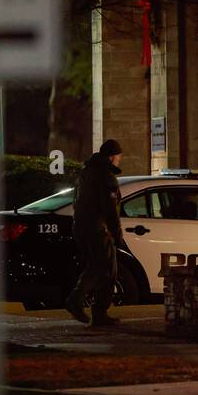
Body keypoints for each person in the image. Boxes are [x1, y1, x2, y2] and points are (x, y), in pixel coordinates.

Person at [66, 139, 124, 326]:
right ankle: (77, 300)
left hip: (82, 226)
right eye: (119, 157)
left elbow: (76, 200)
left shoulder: (86, 173)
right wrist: (116, 232)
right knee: (103, 268)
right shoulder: (105, 176)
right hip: (97, 229)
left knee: (104, 268)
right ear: (113, 156)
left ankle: (100, 313)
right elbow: (110, 209)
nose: (119, 161)